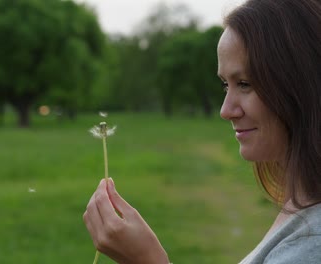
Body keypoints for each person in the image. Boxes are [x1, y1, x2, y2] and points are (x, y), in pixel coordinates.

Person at [83, 0, 321, 263]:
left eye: (244, 83)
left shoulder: (311, 245)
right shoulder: (304, 205)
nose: (226, 110)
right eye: (225, 85)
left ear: (300, 84)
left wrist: (147, 259)